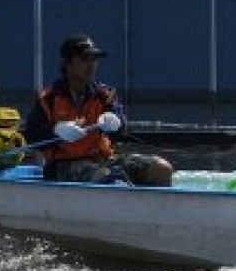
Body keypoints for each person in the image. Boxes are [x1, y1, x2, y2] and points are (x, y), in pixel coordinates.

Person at [24, 34, 173, 185]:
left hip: (104, 160)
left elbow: (122, 128)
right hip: (63, 166)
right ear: (67, 64)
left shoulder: (104, 95)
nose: (91, 65)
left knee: (161, 169)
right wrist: (56, 130)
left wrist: (116, 123)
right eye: (84, 59)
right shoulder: (48, 99)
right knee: (106, 177)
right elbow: (31, 135)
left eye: (94, 59)